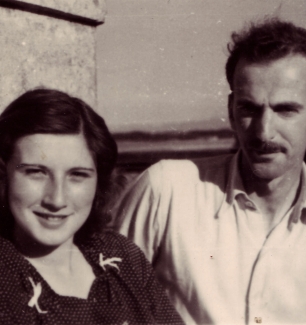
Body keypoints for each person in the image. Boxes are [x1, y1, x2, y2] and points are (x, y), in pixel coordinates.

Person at [113, 18, 306, 324]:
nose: (264, 132)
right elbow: (107, 307)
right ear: (230, 110)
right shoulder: (166, 191)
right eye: (248, 108)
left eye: (285, 110)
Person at [0, 88, 183, 324]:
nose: (56, 200)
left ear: (100, 181)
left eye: (77, 175)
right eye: (36, 172)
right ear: (3, 174)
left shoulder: (121, 256)